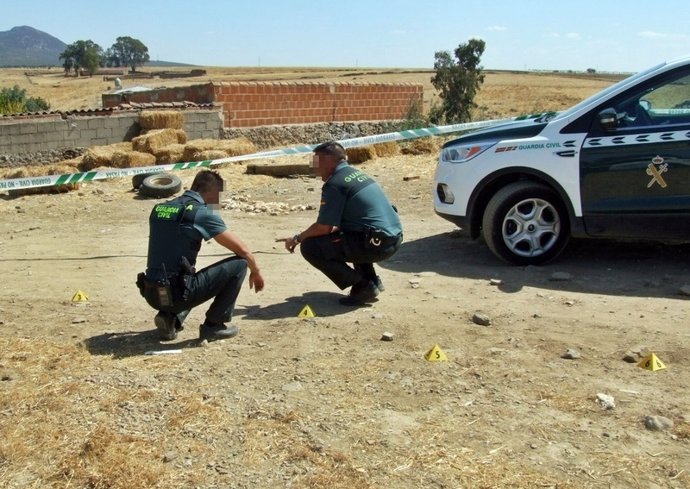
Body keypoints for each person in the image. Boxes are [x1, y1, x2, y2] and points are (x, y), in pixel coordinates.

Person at [137, 170, 264, 341]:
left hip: (151, 292)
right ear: (211, 191)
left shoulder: (160, 208)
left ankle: (170, 319)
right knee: (240, 263)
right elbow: (243, 251)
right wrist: (255, 271)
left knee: (184, 273)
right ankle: (214, 325)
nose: (218, 201)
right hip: (176, 295)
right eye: (218, 195)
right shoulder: (201, 212)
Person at [281, 141, 402, 306]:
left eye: (316, 162)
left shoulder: (335, 184)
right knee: (347, 234)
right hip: (392, 239)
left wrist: (297, 238)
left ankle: (363, 286)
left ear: (328, 161)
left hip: (376, 243)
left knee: (310, 247)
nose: (314, 168)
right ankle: (371, 280)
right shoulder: (358, 174)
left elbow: (324, 227)